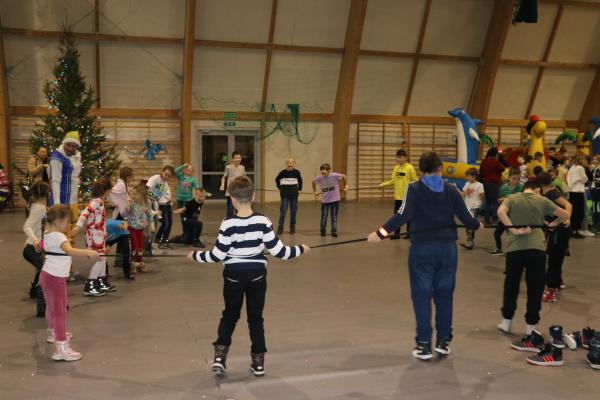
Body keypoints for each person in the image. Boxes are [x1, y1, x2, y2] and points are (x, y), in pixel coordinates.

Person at [187, 176, 309, 377]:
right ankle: (258, 364)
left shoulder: (228, 223)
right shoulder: (263, 221)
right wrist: (301, 248)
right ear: (252, 197)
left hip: (233, 276)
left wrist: (195, 256)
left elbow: (217, 255)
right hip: (257, 276)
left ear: (232, 200)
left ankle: (220, 358)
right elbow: (281, 252)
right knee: (255, 319)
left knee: (230, 315)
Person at [367, 151, 480, 360]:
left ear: (420, 170)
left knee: (422, 295)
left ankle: (424, 344)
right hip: (448, 250)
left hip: (422, 250)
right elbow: (466, 217)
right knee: (444, 295)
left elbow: (402, 214)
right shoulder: (451, 189)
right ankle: (443, 342)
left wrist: (380, 234)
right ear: (440, 168)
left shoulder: (414, 189)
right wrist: (477, 225)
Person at [496, 180, 570, 350]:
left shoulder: (512, 198)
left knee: (511, 285)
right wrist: (552, 224)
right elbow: (565, 214)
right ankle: (531, 328)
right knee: (535, 288)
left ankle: (506, 322)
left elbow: (500, 212)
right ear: (537, 189)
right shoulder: (542, 200)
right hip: (537, 250)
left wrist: (513, 229)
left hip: (515, 249)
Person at [40, 204, 99, 361]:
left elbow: (42, 246)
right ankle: (61, 348)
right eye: (67, 222)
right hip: (56, 278)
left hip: (46, 276)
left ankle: (53, 332)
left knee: (51, 307)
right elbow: (70, 250)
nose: (69, 225)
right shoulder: (60, 237)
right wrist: (89, 253)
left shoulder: (47, 233)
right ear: (58, 221)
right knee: (60, 312)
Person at [71, 179, 117, 297]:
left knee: (103, 258)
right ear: (106, 191)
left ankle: (101, 281)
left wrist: (105, 234)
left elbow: (99, 219)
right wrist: (78, 226)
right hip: (95, 235)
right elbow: (85, 212)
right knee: (101, 258)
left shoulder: (97, 201)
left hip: (99, 234)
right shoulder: (97, 202)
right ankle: (90, 284)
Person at [538, 172, 572, 303]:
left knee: (554, 260)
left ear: (540, 185)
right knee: (556, 258)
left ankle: (550, 291)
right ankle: (557, 282)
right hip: (558, 230)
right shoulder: (549, 193)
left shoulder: (550, 194)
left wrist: (563, 220)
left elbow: (569, 205)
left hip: (559, 231)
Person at [22, 181, 51, 316]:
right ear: (45, 194)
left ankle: (34, 292)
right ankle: (42, 308)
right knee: (43, 274)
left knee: (41, 271)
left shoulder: (37, 206)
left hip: (32, 248)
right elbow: (27, 226)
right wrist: (35, 241)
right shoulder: (39, 208)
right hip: (33, 249)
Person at [379, 149, 418, 239]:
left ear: (405, 158)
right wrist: (383, 185)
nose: (398, 159)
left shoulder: (410, 168)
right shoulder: (396, 168)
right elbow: (392, 181)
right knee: (397, 216)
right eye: (397, 157)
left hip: (408, 197)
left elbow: (415, 181)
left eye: (400, 157)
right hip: (398, 197)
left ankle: (410, 233)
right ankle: (396, 234)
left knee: (408, 216)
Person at [48, 131, 82, 224]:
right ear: (64, 144)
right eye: (68, 145)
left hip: (72, 199)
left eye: (74, 146)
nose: (70, 148)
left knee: (71, 226)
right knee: (58, 228)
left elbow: (74, 178)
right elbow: (55, 181)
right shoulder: (57, 157)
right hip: (60, 198)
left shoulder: (77, 156)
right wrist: (57, 204)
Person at [492, 168, 524, 255]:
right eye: (514, 178)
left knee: (511, 235)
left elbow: (522, 201)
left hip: (515, 216)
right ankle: (498, 249)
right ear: (509, 178)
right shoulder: (504, 187)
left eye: (518, 179)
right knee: (496, 233)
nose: (516, 181)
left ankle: (512, 251)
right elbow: (500, 199)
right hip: (504, 215)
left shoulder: (522, 187)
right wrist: (500, 200)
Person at [312, 163, 348, 237]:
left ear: (329, 171)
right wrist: (315, 191)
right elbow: (313, 182)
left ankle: (334, 231)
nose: (323, 171)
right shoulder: (319, 178)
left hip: (335, 200)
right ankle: (323, 231)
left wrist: (346, 186)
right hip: (325, 201)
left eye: (325, 170)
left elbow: (344, 176)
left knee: (334, 216)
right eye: (322, 170)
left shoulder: (334, 175)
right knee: (324, 217)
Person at [128, 183, 155, 273]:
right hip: (132, 228)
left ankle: (139, 262)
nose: (133, 196)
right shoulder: (132, 204)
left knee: (140, 247)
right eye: (132, 194)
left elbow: (149, 214)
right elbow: (124, 213)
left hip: (141, 229)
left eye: (135, 195)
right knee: (135, 247)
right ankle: (132, 263)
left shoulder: (146, 203)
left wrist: (152, 224)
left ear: (142, 196)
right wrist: (129, 205)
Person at [147, 165, 175, 248]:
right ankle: (157, 240)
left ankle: (164, 240)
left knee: (169, 223)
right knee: (164, 223)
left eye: (169, 176)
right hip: (159, 205)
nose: (166, 177)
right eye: (165, 174)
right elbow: (148, 191)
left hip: (167, 204)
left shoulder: (164, 182)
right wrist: (154, 202)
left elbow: (162, 195)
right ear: (162, 172)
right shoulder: (155, 178)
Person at [275, 157, 303, 235]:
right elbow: (277, 179)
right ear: (286, 164)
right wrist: (279, 187)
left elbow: (300, 181)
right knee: (283, 211)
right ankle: (280, 228)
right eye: (288, 163)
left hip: (294, 194)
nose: (289, 164)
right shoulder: (282, 172)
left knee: (293, 211)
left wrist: (300, 189)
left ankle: (292, 228)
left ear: (294, 163)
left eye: (291, 163)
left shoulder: (297, 172)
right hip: (284, 194)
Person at [479, 147, 505, 225]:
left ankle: (487, 219)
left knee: (487, 201)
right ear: (495, 154)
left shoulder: (484, 161)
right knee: (494, 202)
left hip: (485, 183)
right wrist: (498, 160)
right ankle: (494, 218)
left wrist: (481, 182)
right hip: (493, 184)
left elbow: (481, 173)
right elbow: (503, 168)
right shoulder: (495, 161)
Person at [460, 167, 484, 250]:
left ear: (474, 176)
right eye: (467, 176)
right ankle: (470, 241)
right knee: (467, 225)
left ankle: (470, 242)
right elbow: (462, 194)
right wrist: (455, 188)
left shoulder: (479, 185)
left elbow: (482, 196)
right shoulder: (467, 184)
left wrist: (481, 197)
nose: (467, 178)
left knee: (470, 225)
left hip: (474, 207)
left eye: (469, 176)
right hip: (466, 207)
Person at [567, 156, 591, 238]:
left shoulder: (571, 168)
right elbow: (585, 179)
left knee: (574, 212)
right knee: (580, 212)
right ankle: (577, 230)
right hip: (578, 191)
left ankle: (573, 230)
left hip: (571, 191)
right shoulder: (580, 168)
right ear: (581, 160)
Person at [175, 162, 201, 232]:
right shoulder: (181, 177)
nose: (187, 169)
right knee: (182, 216)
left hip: (188, 199)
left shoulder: (193, 179)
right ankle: (185, 231)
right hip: (179, 199)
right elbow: (175, 171)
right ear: (183, 170)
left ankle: (189, 230)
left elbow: (197, 187)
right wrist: (183, 166)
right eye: (186, 168)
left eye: (189, 169)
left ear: (192, 171)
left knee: (187, 215)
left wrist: (204, 193)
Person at [220, 151, 245, 218]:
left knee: (239, 210)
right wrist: (222, 185)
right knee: (230, 210)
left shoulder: (242, 167)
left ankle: (239, 222)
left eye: (239, 158)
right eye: (236, 158)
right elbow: (223, 177)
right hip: (230, 192)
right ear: (233, 159)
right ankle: (229, 222)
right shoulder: (228, 167)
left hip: (239, 192)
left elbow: (244, 178)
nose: (238, 159)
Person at [591, 155, 600, 231]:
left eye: (595, 159)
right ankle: (594, 224)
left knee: (598, 207)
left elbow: (597, 180)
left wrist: (594, 179)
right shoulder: (594, 168)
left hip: (598, 190)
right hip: (593, 189)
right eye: (593, 159)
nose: (594, 161)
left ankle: (597, 225)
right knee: (594, 207)